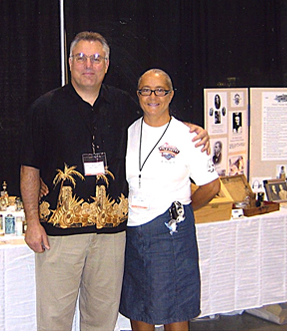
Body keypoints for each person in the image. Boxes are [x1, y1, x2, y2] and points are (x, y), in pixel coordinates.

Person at [19, 31, 210, 331]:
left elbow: (158, 117)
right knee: (54, 319)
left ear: (107, 64)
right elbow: (29, 167)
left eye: (96, 59)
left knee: (102, 319)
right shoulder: (45, 108)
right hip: (60, 237)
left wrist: (191, 131)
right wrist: (32, 220)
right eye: (81, 58)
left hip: (112, 237)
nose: (88, 65)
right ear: (70, 63)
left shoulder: (124, 105)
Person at [120, 68, 221, 331]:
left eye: (160, 90)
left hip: (171, 233)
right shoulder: (128, 132)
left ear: (171, 94)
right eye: (146, 90)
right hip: (134, 230)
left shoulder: (188, 136)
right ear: (138, 94)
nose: (153, 96)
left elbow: (211, 185)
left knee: (176, 307)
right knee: (139, 303)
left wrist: (183, 207)